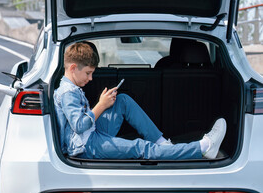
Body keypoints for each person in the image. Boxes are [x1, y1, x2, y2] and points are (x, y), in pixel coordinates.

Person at [54, 42, 227, 160]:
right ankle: (203, 147)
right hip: (87, 146)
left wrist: (105, 103)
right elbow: (78, 125)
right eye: (88, 73)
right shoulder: (68, 93)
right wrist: (101, 105)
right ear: (73, 68)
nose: (91, 78)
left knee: (122, 100)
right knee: (141, 147)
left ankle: (163, 144)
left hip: (91, 135)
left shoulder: (72, 88)